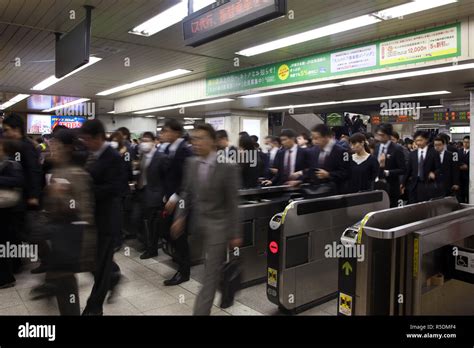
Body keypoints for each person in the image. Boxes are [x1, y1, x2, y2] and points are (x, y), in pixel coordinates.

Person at [171, 124, 242, 315]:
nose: (196, 143)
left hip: (218, 228)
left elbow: (232, 203)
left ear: (212, 141)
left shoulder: (228, 166)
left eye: (200, 138)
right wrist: (180, 216)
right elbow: (186, 193)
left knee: (208, 277)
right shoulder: (191, 164)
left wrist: (234, 234)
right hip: (197, 225)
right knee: (212, 270)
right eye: (194, 139)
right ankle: (226, 285)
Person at [43, 129, 96, 315]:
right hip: (59, 240)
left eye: (55, 147)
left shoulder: (77, 174)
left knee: (66, 288)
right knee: (63, 287)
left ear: (66, 148)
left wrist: (62, 197)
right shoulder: (57, 170)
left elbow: (85, 212)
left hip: (71, 241)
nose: (52, 151)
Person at [80, 119, 122, 315]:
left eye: (88, 139)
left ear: (98, 137)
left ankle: (94, 307)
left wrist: (87, 189)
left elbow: (116, 188)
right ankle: (113, 277)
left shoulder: (112, 157)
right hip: (93, 218)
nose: (85, 143)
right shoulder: (92, 155)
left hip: (108, 219)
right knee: (94, 262)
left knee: (102, 264)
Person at [3, 114, 43, 273]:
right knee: (19, 231)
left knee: (28, 232)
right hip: (19, 195)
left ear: (16, 129)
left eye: (7, 130)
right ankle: (17, 262)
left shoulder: (26, 146)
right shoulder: (15, 144)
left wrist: (34, 196)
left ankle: (46, 260)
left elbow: (34, 171)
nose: (5, 133)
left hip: (27, 197)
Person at [161, 119, 193, 286]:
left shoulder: (185, 151)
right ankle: (180, 259)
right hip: (170, 199)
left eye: (166, 131)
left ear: (176, 132)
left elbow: (187, 179)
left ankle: (184, 271)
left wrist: (175, 196)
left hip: (182, 201)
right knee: (167, 231)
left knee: (178, 235)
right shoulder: (168, 148)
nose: (163, 134)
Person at [136, 132, 168, 259]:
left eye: (147, 140)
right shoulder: (143, 156)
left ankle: (152, 248)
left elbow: (166, 177)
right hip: (142, 191)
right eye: (143, 140)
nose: (144, 143)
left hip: (155, 195)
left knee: (152, 224)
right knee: (140, 219)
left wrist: (164, 195)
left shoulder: (161, 157)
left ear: (154, 141)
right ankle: (148, 244)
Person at [0, 138, 24, 288]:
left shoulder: (11, 164)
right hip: (5, 210)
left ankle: (6, 277)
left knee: (4, 242)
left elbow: (18, 181)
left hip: (7, 209)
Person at [308, 124, 350, 193]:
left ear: (326, 137)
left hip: (335, 192)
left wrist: (328, 174)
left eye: (316, 138)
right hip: (316, 191)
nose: (314, 141)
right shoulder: (313, 150)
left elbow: (346, 173)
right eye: (312, 138)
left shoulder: (342, 152)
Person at [402, 131, 440, 204]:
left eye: (420, 140)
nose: (418, 143)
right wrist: (403, 183)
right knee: (413, 206)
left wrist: (434, 173)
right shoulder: (412, 154)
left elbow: (439, 168)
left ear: (426, 140)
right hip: (414, 185)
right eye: (416, 141)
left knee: (426, 206)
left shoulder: (433, 153)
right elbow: (408, 171)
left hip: (428, 184)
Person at [374, 124, 406, 207]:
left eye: (382, 135)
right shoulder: (377, 147)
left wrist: (387, 172)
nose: (379, 137)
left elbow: (403, 169)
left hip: (391, 185)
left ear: (388, 135)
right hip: (377, 184)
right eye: (378, 135)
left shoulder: (397, 149)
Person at [457, 135, 470, 203]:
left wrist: (468, 167)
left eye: (468, 142)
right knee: (460, 195)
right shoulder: (458, 151)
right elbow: (456, 162)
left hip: (469, 177)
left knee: (468, 194)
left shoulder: (472, 152)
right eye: (464, 142)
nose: (465, 144)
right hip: (460, 177)